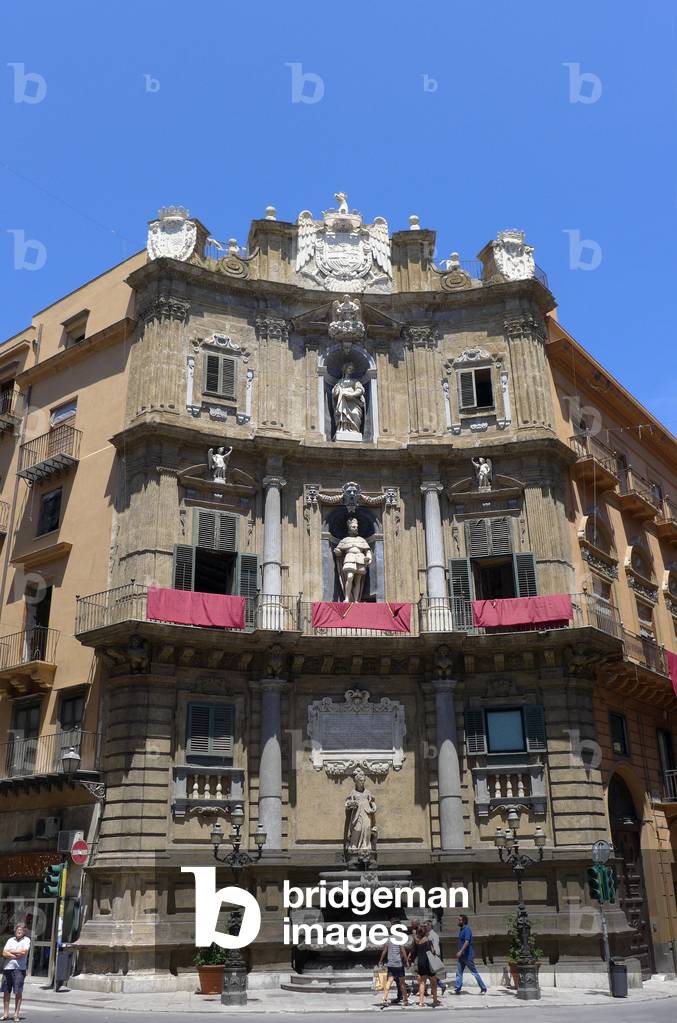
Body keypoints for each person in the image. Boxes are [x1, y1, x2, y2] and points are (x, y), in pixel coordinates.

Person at [377, 919, 409, 1009]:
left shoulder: (389, 939)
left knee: (389, 981)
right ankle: (405, 1000)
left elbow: (384, 951)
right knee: (402, 983)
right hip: (398, 964)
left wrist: (381, 960)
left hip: (390, 963)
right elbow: (403, 951)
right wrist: (406, 961)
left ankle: (384, 999)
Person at [2, 922, 30, 1022]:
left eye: (21, 930)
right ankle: (5, 1014)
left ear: (24, 931)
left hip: (20, 969)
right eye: (18, 930)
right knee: (6, 991)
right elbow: (4, 953)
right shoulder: (10, 940)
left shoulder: (27, 940)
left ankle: (16, 1015)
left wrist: (10, 952)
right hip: (7, 968)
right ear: (15, 931)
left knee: (18, 992)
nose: (19, 931)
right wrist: (15, 955)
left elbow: (24, 952)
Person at [454, 914, 487, 995]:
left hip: (468, 956)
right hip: (462, 956)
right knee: (459, 972)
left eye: (460, 920)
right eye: (458, 920)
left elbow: (467, 941)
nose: (458, 921)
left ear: (464, 921)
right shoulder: (462, 930)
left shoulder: (467, 930)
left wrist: (460, 951)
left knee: (474, 972)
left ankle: (483, 988)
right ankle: (457, 989)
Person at [413, 924, 440, 1008]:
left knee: (422, 982)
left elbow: (414, 952)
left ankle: (421, 1002)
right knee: (433, 982)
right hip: (428, 962)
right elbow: (433, 951)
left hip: (420, 962)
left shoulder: (416, 941)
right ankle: (435, 999)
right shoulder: (428, 940)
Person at [424, 919, 446, 996]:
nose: (425, 927)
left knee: (430, 975)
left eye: (426, 926)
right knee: (429, 975)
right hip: (428, 956)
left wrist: (436, 956)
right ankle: (438, 987)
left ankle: (436, 988)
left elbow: (436, 947)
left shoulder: (434, 935)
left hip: (432, 956)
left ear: (430, 926)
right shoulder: (427, 934)